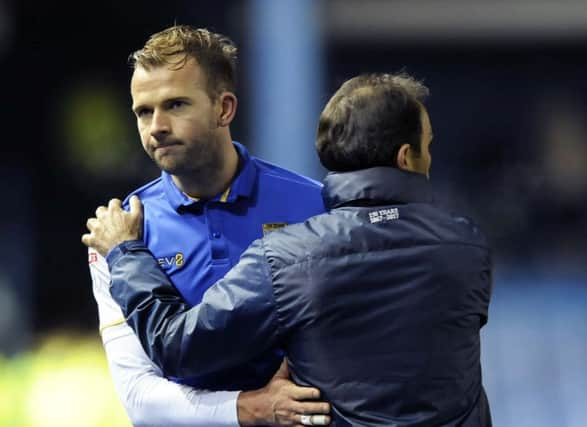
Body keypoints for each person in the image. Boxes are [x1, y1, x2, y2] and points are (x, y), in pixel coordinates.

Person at [83, 72, 493, 426]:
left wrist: (124, 253)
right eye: (429, 145)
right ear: (407, 158)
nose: (157, 126)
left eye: (175, 104)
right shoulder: (467, 245)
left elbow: (177, 347)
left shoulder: (288, 255)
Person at [84, 25, 330, 426]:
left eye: (176, 105)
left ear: (224, 109)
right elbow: (139, 399)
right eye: (143, 112)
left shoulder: (317, 205)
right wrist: (251, 408)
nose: (156, 126)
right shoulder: (118, 232)